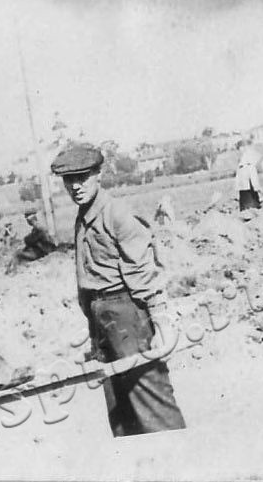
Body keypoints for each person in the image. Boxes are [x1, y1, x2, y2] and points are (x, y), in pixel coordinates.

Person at [50, 143, 186, 437]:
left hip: (127, 315)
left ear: (98, 174)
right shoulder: (84, 216)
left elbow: (144, 270)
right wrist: (95, 332)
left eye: (82, 177)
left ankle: (179, 456)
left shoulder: (117, 213)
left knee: (151, 400)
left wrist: (162, 320)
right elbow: (87, 278)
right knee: (120, 411)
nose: (75, 186)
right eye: (69, 180)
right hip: (102, 317)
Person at [5, 208, 56, 273]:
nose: (27, 222)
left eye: (27, 219)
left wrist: (25, 240)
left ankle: (12, 272)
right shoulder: (37, 227)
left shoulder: (38, 228)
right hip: (41, 250)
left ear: (31, 220)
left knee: (17, 254)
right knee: (20, 252)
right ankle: (10, 270)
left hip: (42, 251)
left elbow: (30, 240)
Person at [235, 139, 263, 211]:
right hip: (245, 183)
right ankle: (249, 208)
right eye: (239, 148)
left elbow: (253, 177)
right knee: (245, 195)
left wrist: (257, 187)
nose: (240, 150)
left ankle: (253, 208)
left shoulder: (249, 159)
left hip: (248, 181)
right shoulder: (243, 160)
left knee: (250, 195)